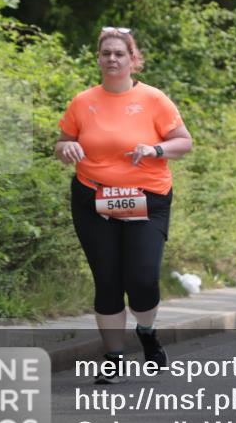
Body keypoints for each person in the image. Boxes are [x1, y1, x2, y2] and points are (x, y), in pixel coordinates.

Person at [56, 26, 193, 384]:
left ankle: (147, 333)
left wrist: (155, 149)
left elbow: (184, 142)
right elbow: (62, 142)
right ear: (98, 59)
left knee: (143, 278)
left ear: (133, 60)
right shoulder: (83, 101)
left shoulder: (154, 99)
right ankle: (114, 358)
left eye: (120, 54)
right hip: (93, 197)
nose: (112, 59)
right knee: (108, 279)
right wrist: (66, 149)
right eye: (106, 54)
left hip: (147, 198)